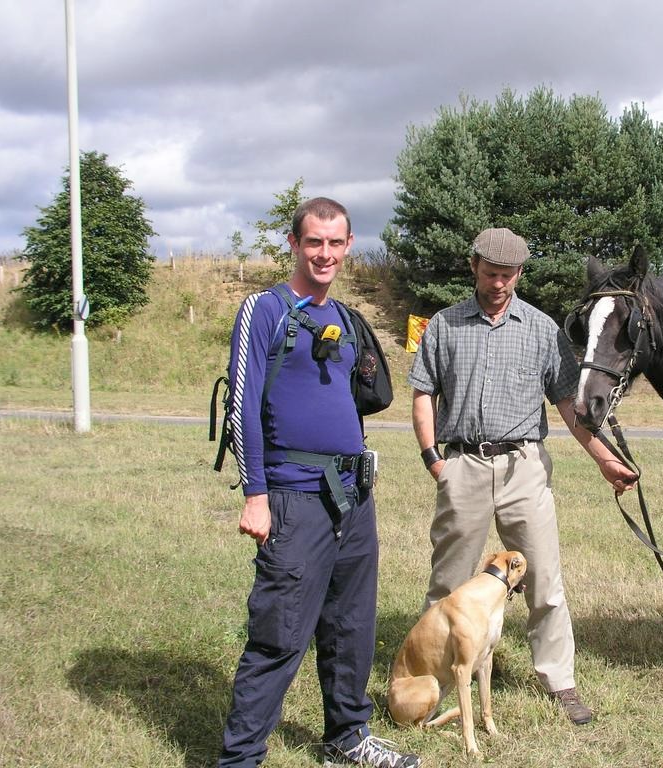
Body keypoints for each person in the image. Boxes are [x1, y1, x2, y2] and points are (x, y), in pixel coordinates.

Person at [408, 227, 639, 725]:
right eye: (491, 274)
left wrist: (603, 458)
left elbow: (567, 405)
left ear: (520, 274)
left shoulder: (541, 329)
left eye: (509, 276)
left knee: (544, 580)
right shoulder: (444, 326)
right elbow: (423, 391)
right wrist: (433, 459)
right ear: (474, 267)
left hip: (524, 468)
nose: (499, 284)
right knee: (448, 583)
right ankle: (437, 678)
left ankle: (559, 680)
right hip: (463, 465)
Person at [218, 197, 419, 768]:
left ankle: (348, 737)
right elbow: (243, 407)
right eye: (314, 242)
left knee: (351, 626)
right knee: (279, 634)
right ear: (295, 244)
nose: (324, 253)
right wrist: (256, 495)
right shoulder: (264, 310)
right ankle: (240, 760)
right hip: (292, 497)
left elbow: (355, 403)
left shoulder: (348, 319)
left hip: (353, 498)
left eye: (335, 243)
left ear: (349, 245)